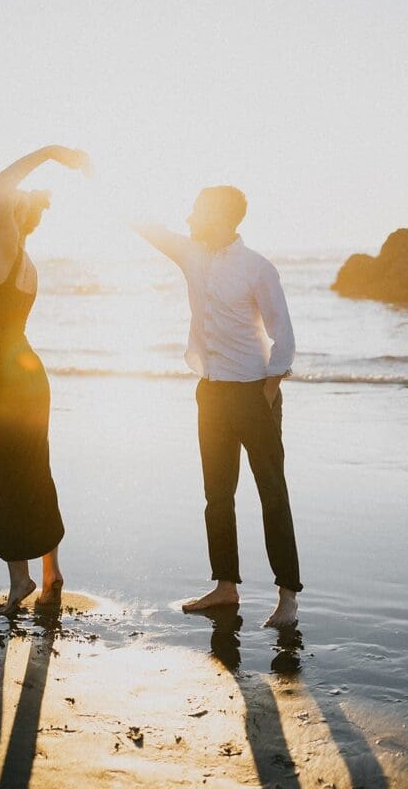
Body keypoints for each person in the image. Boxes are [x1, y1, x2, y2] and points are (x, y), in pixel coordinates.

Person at [134, 185, 302, 628]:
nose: (188, 219)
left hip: (253, 393)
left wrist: (265, 395)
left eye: (196, 212)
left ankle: (287, 596)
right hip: (210, 393)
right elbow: (147, 227)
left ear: (220, 217)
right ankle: (226, 587)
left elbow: (283, 337)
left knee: (272, 493)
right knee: (217, 495)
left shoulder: (257, 268)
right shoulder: (193, 256)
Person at [0, 145, 90, 617]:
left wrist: (51, 152)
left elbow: (3, 178)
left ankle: (20, 581)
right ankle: (51, 574)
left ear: (10, 214)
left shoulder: (6, 248)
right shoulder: (22, 261)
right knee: (32, 474)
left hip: (7, 385)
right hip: (22, 377)